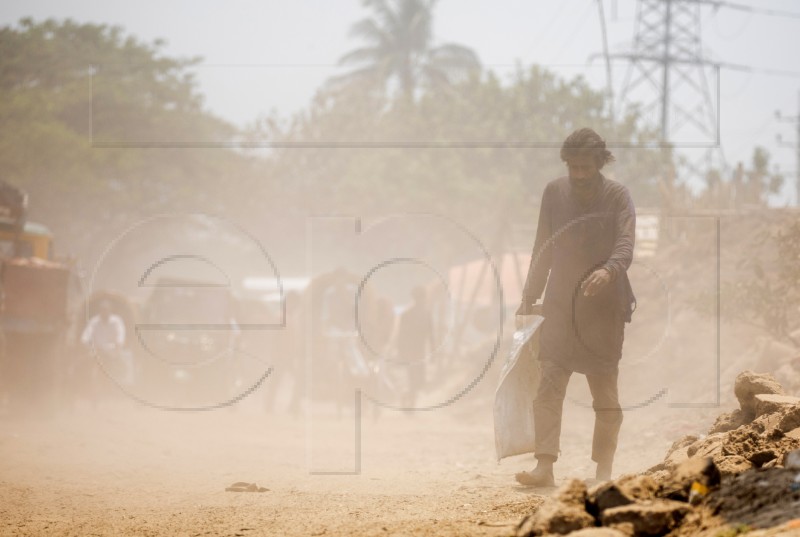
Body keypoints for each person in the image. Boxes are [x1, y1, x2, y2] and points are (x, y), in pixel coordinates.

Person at [514, 128, 636, 487]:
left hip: (604, 309)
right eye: (573, 167)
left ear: (600, 164)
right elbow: (544, 247)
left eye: (586, 168)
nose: (579, 174)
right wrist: (528, 297)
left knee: (605, 394)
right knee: (549, 384)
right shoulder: (554, 192)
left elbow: (626, 245)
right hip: (560, 306)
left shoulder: (617, 196)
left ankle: (603, 471)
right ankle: (544, 466)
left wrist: (608, 271)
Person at [396, 286, 435, 409]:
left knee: (419, 380)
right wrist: (401, 351)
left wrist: (433, 351)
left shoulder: (426, 313)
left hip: (421, 351)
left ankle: (407, 398)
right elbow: (401, 335)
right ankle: (410, 402)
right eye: (419, 297)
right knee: (412, 378)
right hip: (409, 350)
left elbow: (431, 333)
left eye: (422, 297)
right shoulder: (407, 314)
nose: (421, 300)